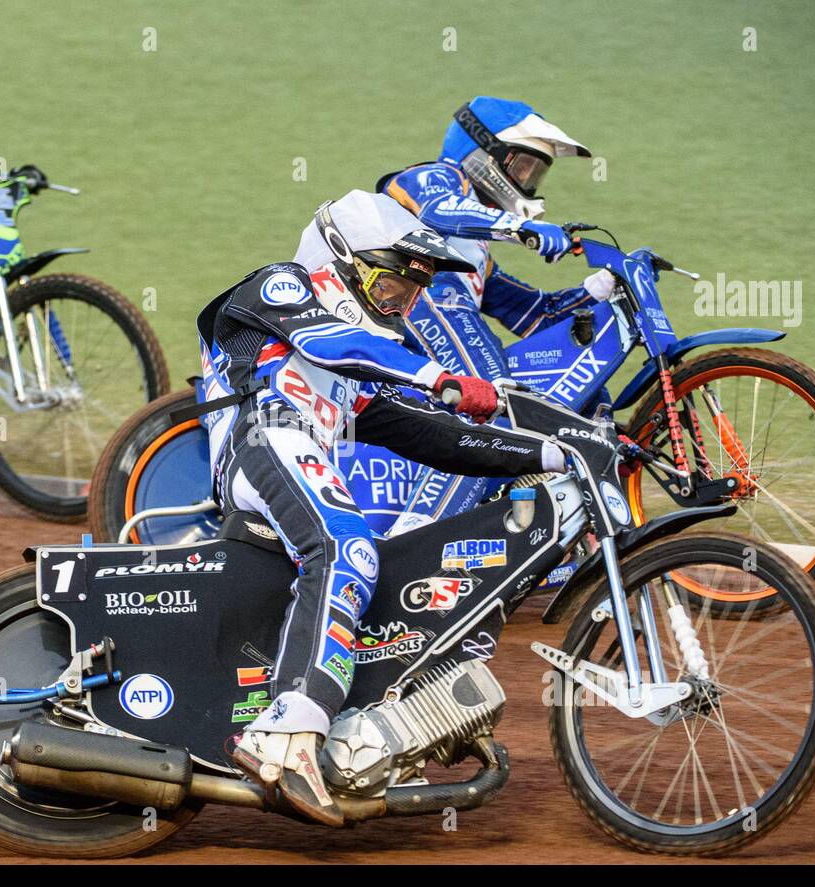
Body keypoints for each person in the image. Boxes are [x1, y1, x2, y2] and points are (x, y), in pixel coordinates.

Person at [196, 190, 567, 824]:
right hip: (258, 437)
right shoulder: (280, 288)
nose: (401, 303)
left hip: (288, 448)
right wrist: (439, 377)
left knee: (378, 565)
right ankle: (283, 738)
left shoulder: (348, 376)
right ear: (338, 257)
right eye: (390, 283)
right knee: (346, 546)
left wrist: (557, 453)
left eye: (413, 291)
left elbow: (436, 437)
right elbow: (335, 343)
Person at [374, 96, 616, 531]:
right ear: (484, 153)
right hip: (403, 304)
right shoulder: (434, 178)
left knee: (506, 404)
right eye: (523, 166)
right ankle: (418, 532)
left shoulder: (476, 257)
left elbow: (535, 315)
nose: (529, 181)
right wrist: (520, 227)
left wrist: (596, 290)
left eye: (537, 172)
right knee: (491, 399)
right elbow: (440, 211)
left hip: (422, 323)